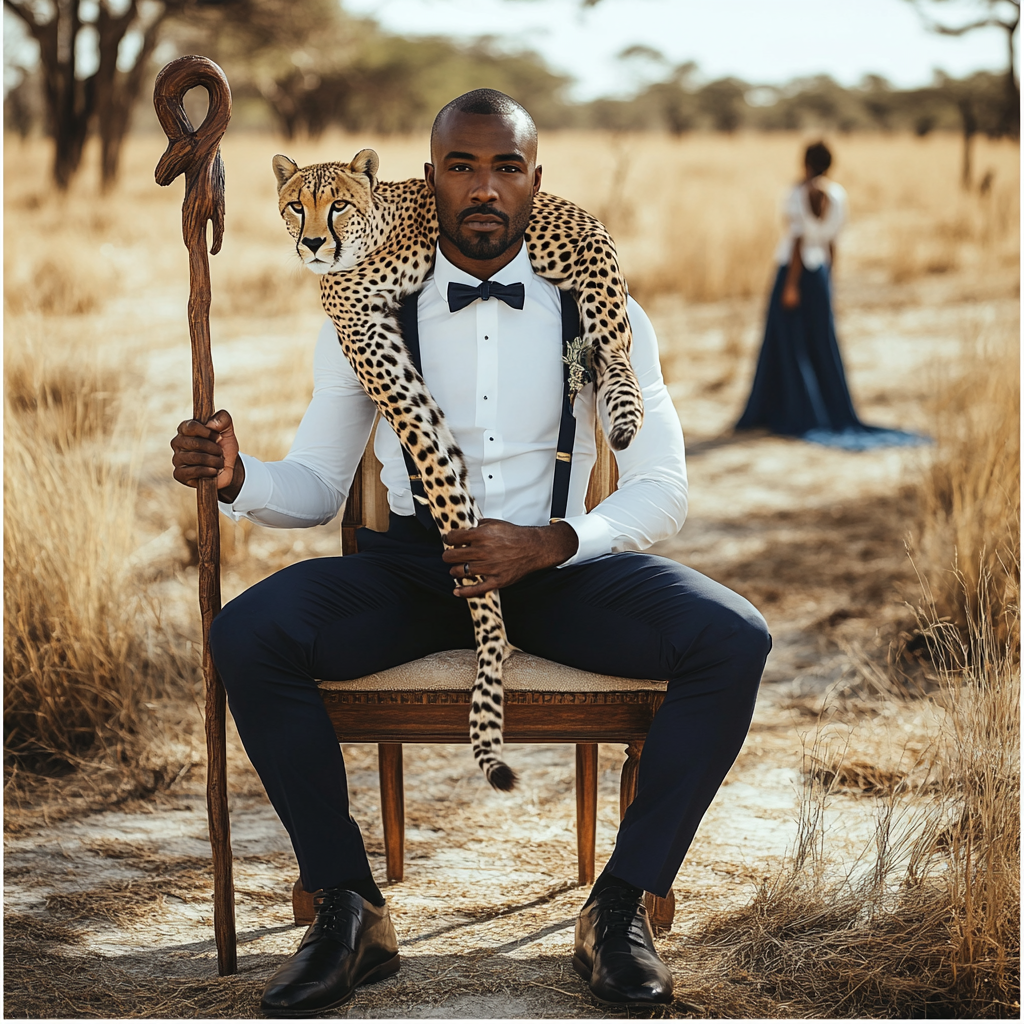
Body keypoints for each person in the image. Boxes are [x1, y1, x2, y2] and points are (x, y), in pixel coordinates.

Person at [171, 89, 771, 1016]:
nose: (484, 187)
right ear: (429, 179)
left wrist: (557, 540)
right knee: (250, 634)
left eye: (506, 167)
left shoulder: (605, 309)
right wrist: (239, 476)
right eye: (462, 167)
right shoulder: (364, 305)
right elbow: (321, 485)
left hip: (559, 569)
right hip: (411, 568)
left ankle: (617, 909)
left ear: (537, 181)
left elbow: (664, 486)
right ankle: (347, 906)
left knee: (734, 638)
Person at [736, 141, 926, 450]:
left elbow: (797, 240)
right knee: (821, 342)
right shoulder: (838, 195)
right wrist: (829, 280)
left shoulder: (795, 192)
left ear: (805, 162)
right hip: (820, 274)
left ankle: (793, 410)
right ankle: (825, 407)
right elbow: (832, 243)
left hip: (793, 273)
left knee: (789, 343)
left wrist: (791, 286)